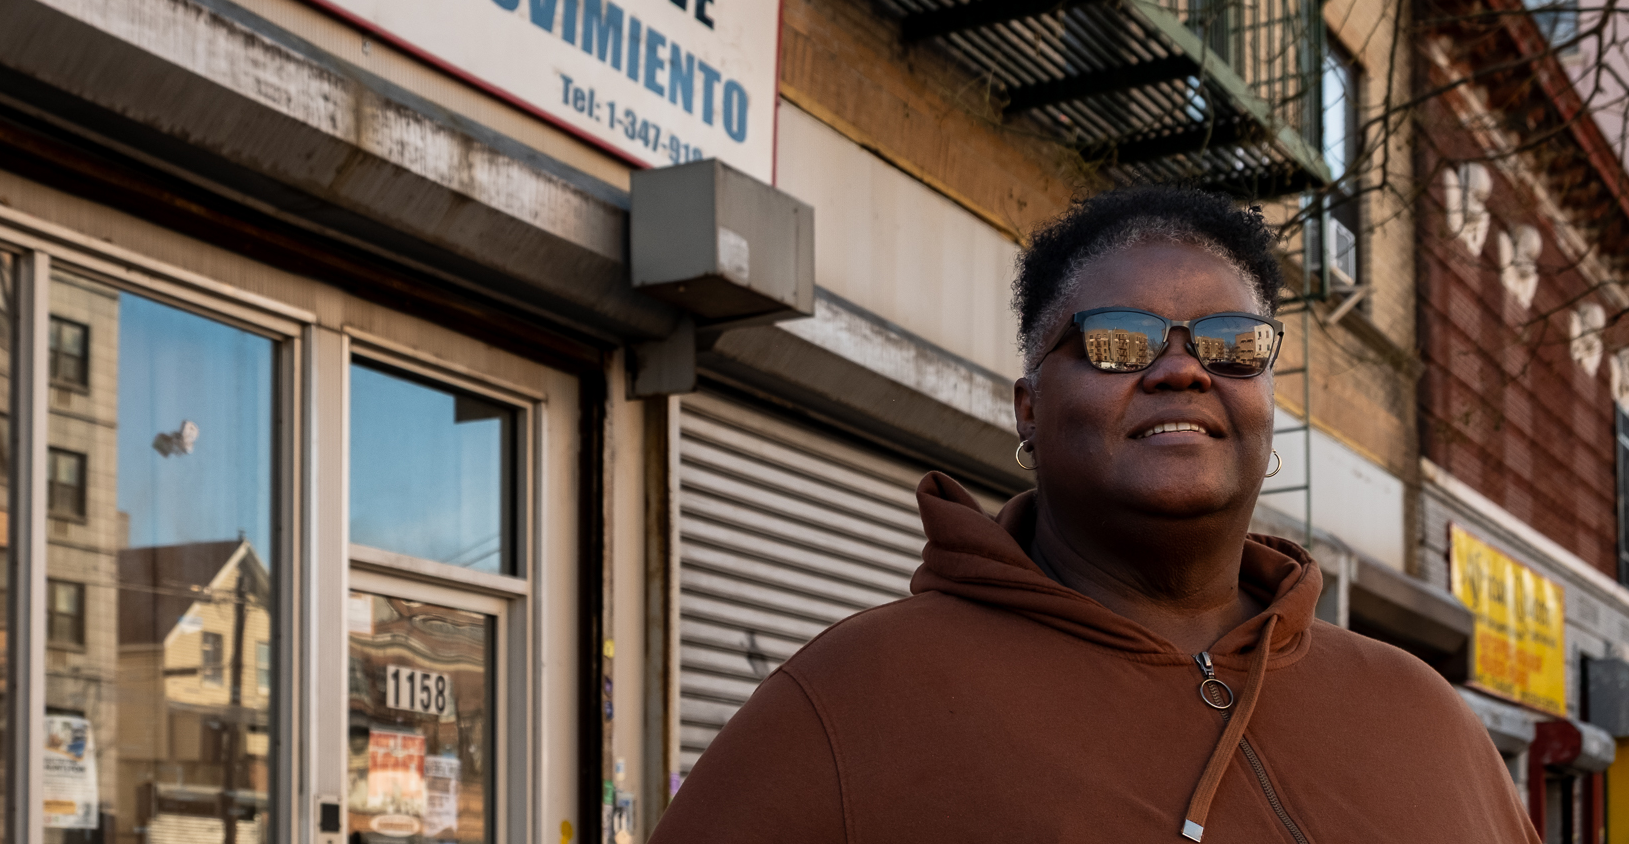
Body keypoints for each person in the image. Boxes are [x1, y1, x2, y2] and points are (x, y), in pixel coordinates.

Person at [648, 186, 1533, 843]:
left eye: (1232, 346)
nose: (1184, 371)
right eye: (1118, 340)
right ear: (1028, 408)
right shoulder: (850, 701)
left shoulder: (1424, 714)